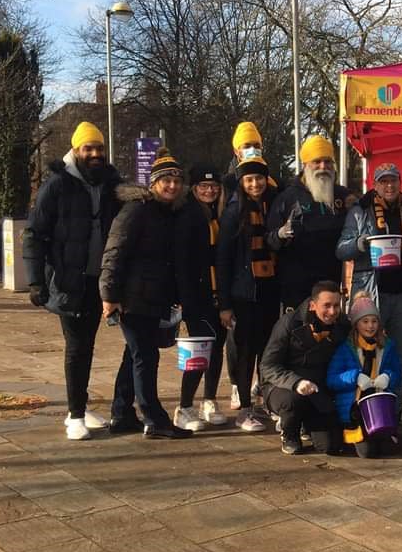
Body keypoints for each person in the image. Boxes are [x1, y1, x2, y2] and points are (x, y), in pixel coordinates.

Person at [23, 122, 122, 440]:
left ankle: (80, 406)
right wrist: (35, 281)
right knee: (77, 347)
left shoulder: (110, 183)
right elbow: (35, 234)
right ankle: (74, 415)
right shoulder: (57, 185)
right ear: (76, 150)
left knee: (88, 346)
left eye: (99, 148)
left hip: (101, 282)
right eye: (88, 148)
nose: (94, 154)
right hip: (69, 280)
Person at [100, 148, 190, 439]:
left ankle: (121, 413)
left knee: (134, 355)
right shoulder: (136, 210)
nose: (172, 186)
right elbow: (114, 252)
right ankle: (154, 418)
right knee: (145, 357)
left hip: (152, 297)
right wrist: (109, 296)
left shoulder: (167, 213)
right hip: (133, 298)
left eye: (177, 181)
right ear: (154, 183)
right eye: (166, 180)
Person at [336, 161, 402, 428]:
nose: (389, 185)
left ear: (400, 182)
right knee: (365, 353)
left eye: (393, 180)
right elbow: (341, 249)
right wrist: (360, 242)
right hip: (370, 294)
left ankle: (395, 409)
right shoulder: (360, 210)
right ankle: (364, 408)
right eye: (383, 181)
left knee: (398, 356)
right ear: (375, 185)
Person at [217, 156, 280, 432]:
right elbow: (223, 260)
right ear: (242, 182)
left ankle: (266, 401)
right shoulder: (233, 212)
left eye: (259, 178)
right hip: (244, 293)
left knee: (268, 351)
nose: (255, 184)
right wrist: (225, 303)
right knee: (245, 352)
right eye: (249, 179)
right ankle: (244, 408)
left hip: (268, 290)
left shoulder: (273, 207)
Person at [260, 281, 349, 455]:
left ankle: (307, 424)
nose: (332, 312)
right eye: (327, 306)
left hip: (319, 388)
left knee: (331, 446)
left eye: (336, 306)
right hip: (284, 386)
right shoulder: (288, 323)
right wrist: (296, 382)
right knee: (293, 400)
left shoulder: (343, 325)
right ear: (312, 305)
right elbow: (268, 365)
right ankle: (290, 433)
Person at [173, 163, 229, 431]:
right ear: (194, 189)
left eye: (214, 187)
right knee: (198, 350)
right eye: (204, 187)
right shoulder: (187, 216)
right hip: (197, 295)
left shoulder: (219, 215)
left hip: (219, 293)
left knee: (217, 348)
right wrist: (185, 298)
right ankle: (184, 406)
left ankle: (209, 399)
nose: (210, 191)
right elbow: (182, 262)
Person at [267, 135, 353, 310]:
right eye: (317, 161)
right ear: (306, 164)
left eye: (328, 161)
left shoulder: (343, 196)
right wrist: (280, 234)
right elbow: (269, 240)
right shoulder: (287, 198)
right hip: (297, 289)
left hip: (330, 288)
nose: (323, 167)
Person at [327, 293, 402, 458]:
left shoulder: (387, 346)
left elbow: (397, 371)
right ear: (356, 324)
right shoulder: (345, 349)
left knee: (388, 448)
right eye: (365, 321)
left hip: (380, 407)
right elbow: (332, 379)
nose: (370, 326)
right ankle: (354, 439)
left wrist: (388, 376)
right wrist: (355, 377)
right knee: (368, 452)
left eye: (374, 321)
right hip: (354, 409)